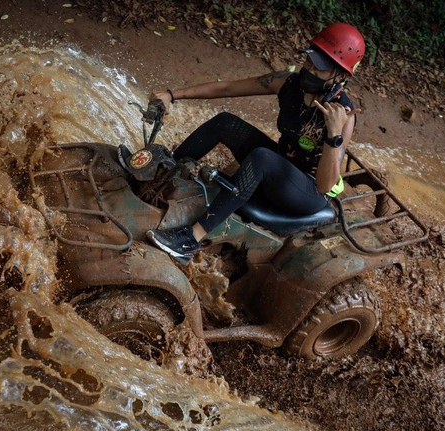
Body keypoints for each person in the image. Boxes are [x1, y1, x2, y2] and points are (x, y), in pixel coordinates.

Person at [144, 23, 364, 261]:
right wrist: (172, 95)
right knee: (226, 122)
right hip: (280, 165)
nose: (309, 70)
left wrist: (333, 134)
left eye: (319, 69)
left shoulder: (342, 114)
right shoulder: (289, 83)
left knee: (262, 157)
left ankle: (190, 240)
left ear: (340, 76)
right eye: (309, 61)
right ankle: (165, 172)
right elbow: (227, 88)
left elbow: (325, 185)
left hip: (307, 190)